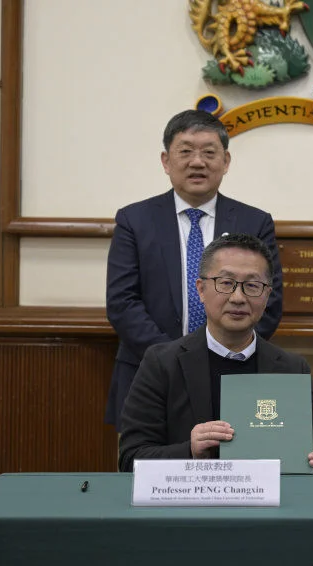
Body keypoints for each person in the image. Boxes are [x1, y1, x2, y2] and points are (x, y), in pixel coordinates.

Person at [106, 109, 283, 432]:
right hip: (150, 374)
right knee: (148, 475)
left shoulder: (254, 222)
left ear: (226, 161)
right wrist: (172, 359)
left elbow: (269, 301)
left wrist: (219, 355)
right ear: (165, 160)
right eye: (185, 151)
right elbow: (122, 303)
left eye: (209, 152)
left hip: (233, 373)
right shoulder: (134, 220)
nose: (197, 162)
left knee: (234, 474)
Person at [118, 233, 313, 473]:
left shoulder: (292, 369)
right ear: (201, 289)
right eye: (226, 283)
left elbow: (310, 452)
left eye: (252, 285)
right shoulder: (161, 363)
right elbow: (130, 460)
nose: (238, 298)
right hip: (188, 507)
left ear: (267, 294)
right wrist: (190, 451)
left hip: (265, 508)